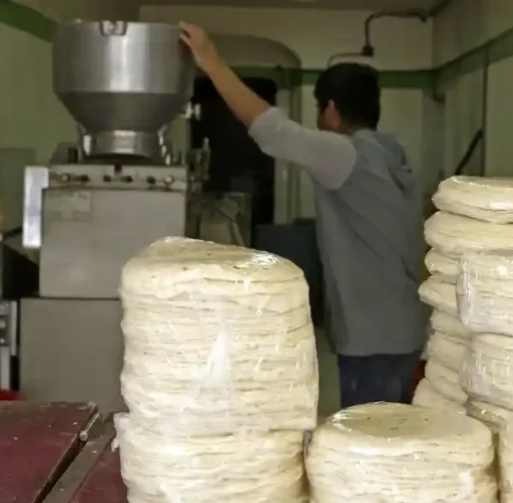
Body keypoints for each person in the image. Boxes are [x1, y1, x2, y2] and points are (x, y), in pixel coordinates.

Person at [179, 23, 427, 408]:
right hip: (407, 330)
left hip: (371, 341)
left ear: (330, 110)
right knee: (396, 435)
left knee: (368, 446)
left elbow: (273, 132)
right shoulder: (394, 153)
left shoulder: (346, 154)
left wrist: (210, 60)